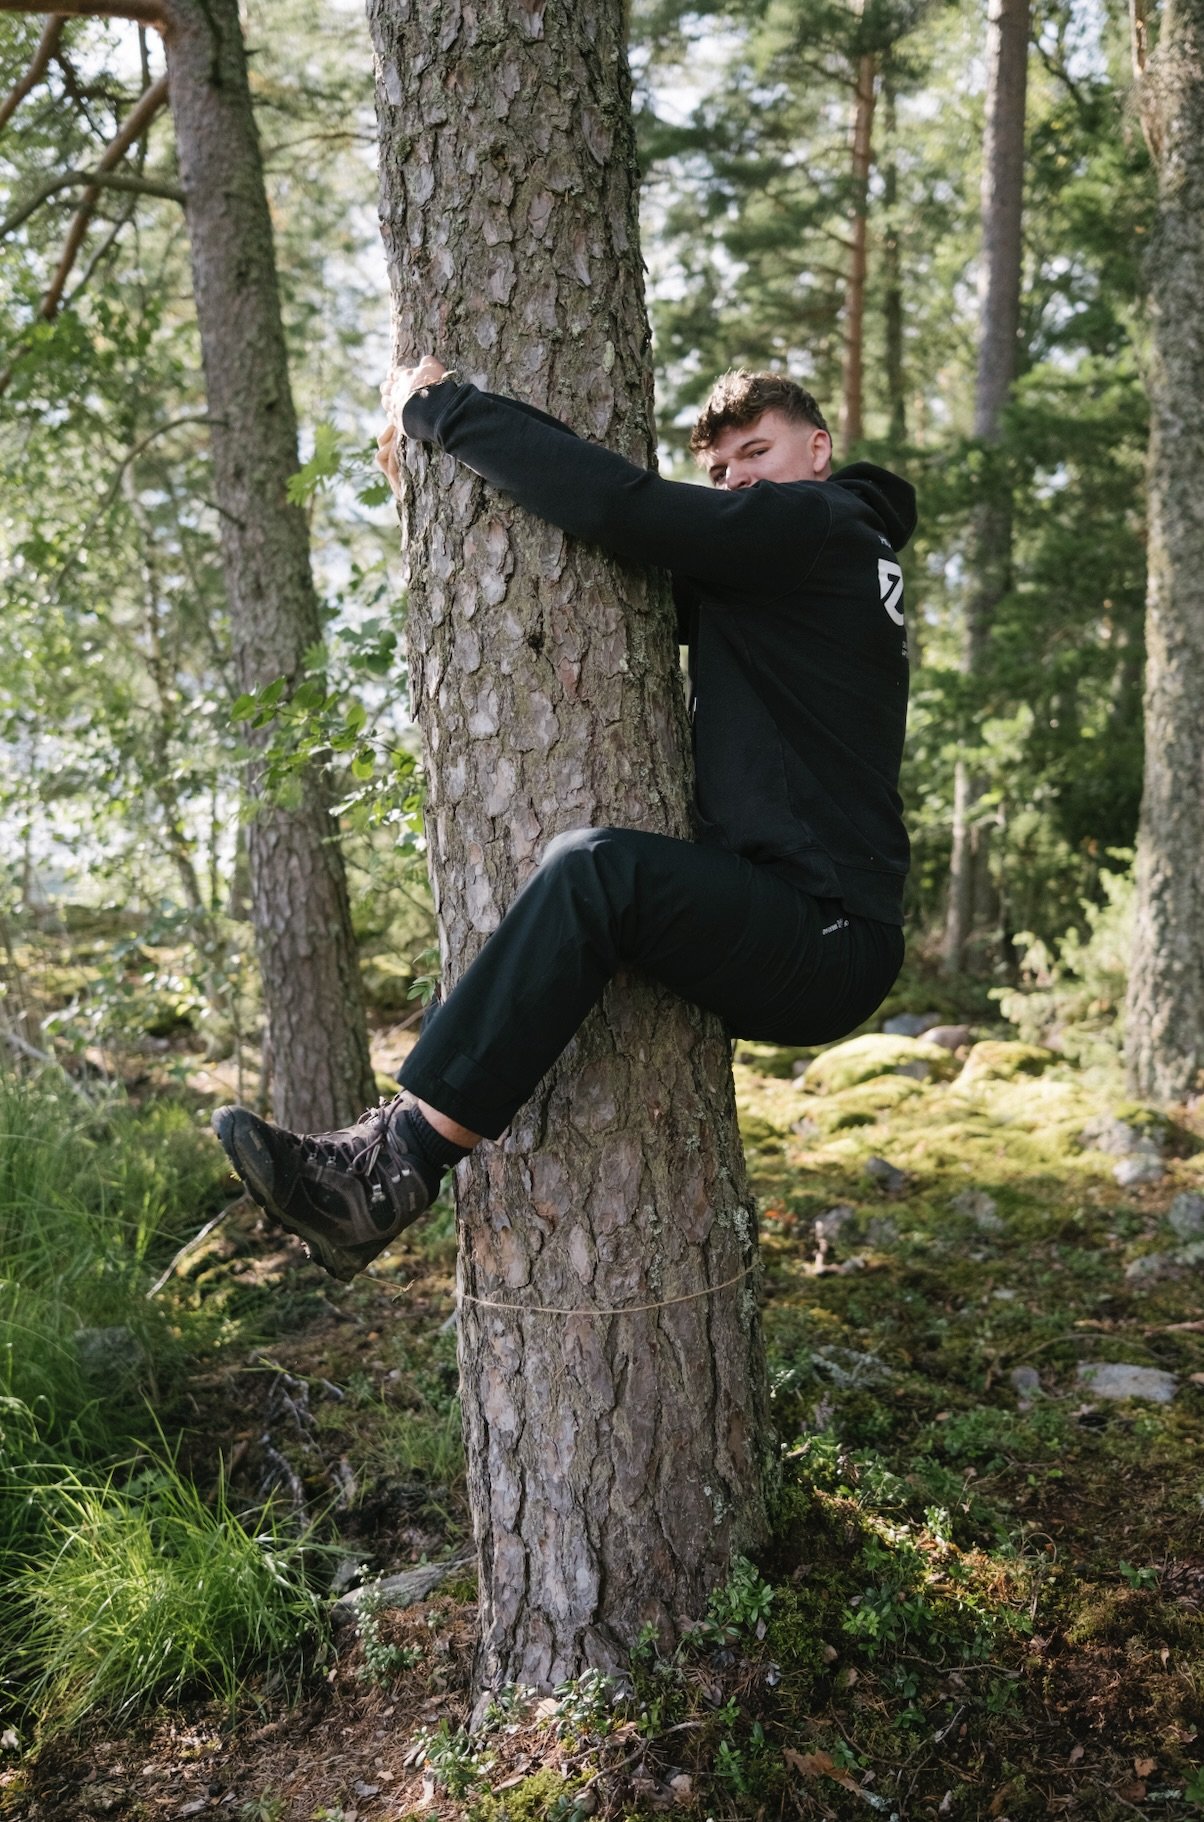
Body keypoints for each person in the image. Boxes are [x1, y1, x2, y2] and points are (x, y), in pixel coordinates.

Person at [213, 359, 915, 1281]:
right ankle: (378, 1150)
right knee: (562, 902)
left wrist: (443, 409)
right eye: (719, 471)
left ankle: (389, 1172)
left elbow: (624, 509)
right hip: (795, 917)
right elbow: (600, 576)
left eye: (757, 452)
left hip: (825, 932)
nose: (737, 479)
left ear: (817, 450)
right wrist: (433, 500)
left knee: (599, 870)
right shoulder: (811, 559)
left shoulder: (815, 522)